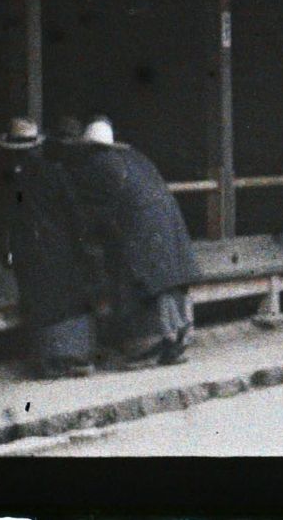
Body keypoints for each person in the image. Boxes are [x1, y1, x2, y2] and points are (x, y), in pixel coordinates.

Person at [74, 117, 199, 367]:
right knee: (165, 282)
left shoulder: (97, 164)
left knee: (141, 284)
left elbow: (89, 210)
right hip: (168, 224)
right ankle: (174, 341)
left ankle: (146, 349)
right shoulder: (135, 158)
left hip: (142, 231)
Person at [0, 117, 98, 378]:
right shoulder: (56, 171)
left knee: (41, 303)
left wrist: (6, 252)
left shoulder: (11, 180)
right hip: (62, 247)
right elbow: (75, 214)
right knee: (69, 298)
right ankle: (78, 356)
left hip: (31, 249)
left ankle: (52, 361)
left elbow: (7, 219)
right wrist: (79, 244)